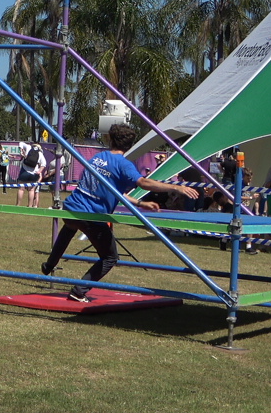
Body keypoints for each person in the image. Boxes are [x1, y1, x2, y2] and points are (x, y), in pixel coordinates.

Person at [41, 123, 199, 302]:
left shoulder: (98, 157)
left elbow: (115, 191)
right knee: (110, 257)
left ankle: (49, 265)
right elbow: (144, 183)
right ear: (130, 144)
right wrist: (175, 187)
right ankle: (78, 291)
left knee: (70, 227)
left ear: (111, 140)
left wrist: (140, 203)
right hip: (92, 215)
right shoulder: (124, 165)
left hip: (72, 207)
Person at [15, 140, 47, 208]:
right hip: (34, 173)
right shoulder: (40, 154)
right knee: (31, 190)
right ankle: (30, 205)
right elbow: (44, 164)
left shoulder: (28, 147)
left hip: (24, 171)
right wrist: (39, 171)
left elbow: (20, 143)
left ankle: (18, 205)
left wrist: (21, 151)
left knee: (21, 189)